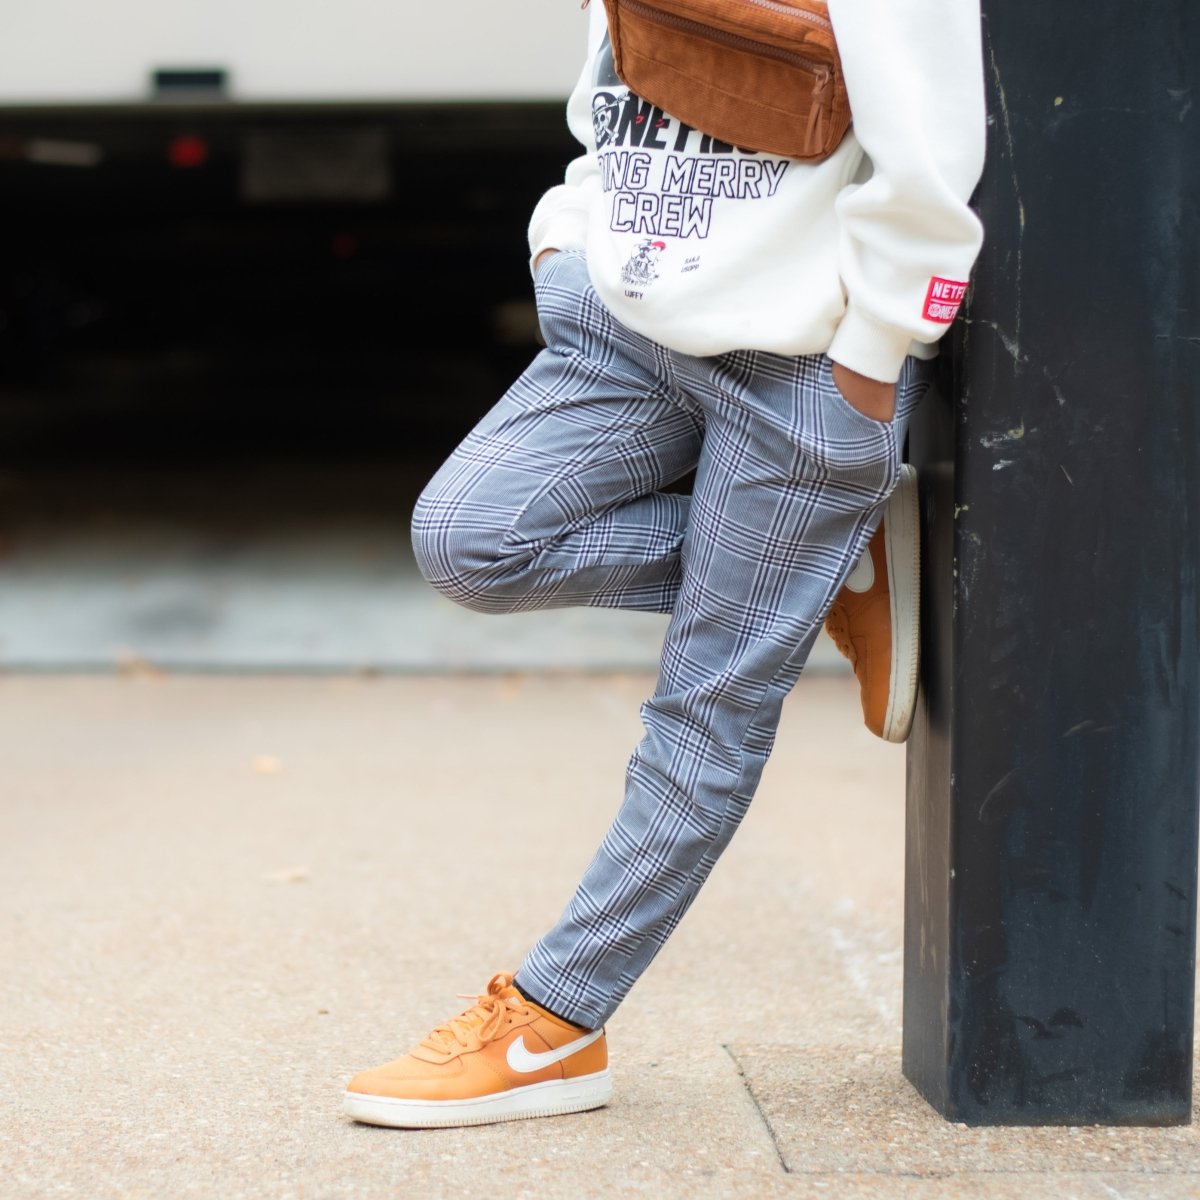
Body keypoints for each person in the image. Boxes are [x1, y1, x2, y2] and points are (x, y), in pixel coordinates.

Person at [343, 0, 986, 1129]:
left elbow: (931, 164)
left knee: (708, 708)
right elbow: (611, 85)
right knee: (472, 541)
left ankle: (558, 1026)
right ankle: (834, 564)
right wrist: (567, 240)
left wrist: (873, 358)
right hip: (629, 322)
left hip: (800, 368)